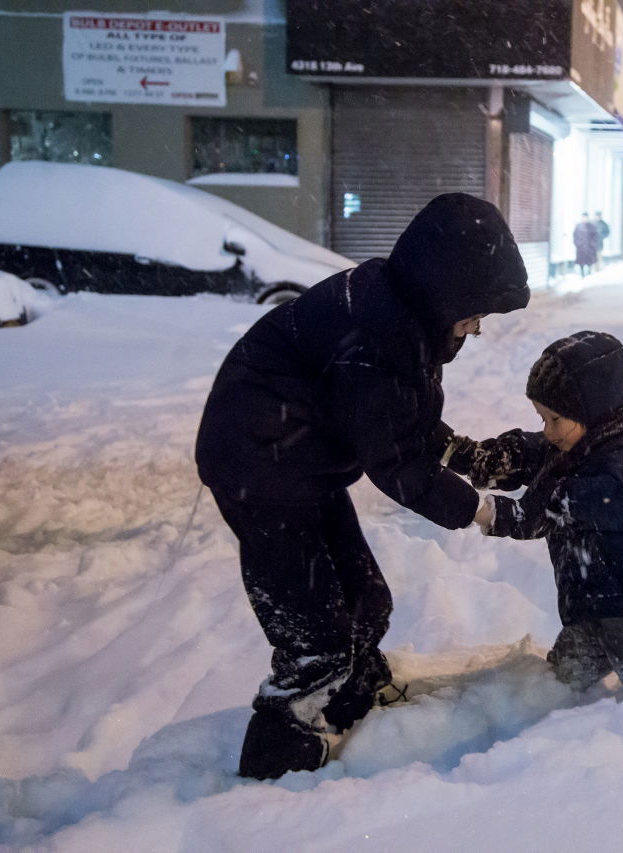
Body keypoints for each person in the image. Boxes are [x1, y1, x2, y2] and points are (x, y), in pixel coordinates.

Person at [195, 193, 529, 780]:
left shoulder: (399, 316)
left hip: (300, 462)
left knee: (366, 601)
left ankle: (351, 698)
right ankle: (278, 767)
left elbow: (405, 421)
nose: (475, 330)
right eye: (475, 314)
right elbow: (399, 465)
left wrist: (465, 455)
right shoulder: (380, 341)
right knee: (315, 637)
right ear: (445, 293)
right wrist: (486, 514)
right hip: (259, 466)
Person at [447, 331, 623, 695]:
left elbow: (573, 503)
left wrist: (490, 512)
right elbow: (530, 452)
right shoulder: (573, 444)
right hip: (590, 606)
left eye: (555, 419)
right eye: (542, 418)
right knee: (561, 685)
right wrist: (478, 457)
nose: (548, 431)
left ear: (593, 411)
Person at [572, 212, 598, 278]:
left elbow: (595, 236)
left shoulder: (591, 226)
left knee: (589, 260)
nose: (584, 219)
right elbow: (575, 235)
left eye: (585, 217)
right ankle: (582, 272)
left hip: (589, 246)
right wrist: (577, 243)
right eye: (583, 217)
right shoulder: (578, 226)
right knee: (581, 260)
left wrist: (592, 244)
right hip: (581, 247)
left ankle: (589, 271)